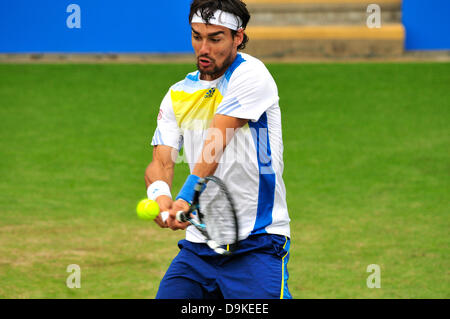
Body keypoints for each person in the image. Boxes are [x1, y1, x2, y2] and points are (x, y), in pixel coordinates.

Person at [145, 0, 292, 299]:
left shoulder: (251, 75)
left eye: (215, 39)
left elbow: (217, 140)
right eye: (197, 36)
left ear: (238, 37)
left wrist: (184, 198)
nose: (204, 49)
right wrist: (161, 198)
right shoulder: (177, 94)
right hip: (199, 249)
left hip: (257, 243)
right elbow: (161, 161)